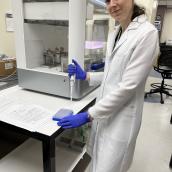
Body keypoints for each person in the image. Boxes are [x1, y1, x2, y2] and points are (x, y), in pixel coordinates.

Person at [53, 0, 159, 171]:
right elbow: (112, 73)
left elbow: (128, 86)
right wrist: (86, 75)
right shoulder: (115, 32)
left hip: (122, 118)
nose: (112, 5)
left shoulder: (147, 33)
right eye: (108, 1)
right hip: (106, 113)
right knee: (98, 163)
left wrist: (88, 115)